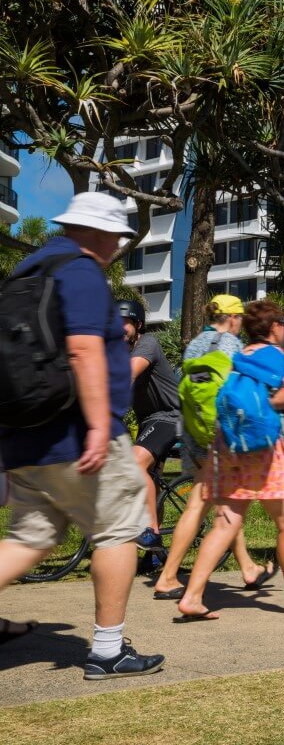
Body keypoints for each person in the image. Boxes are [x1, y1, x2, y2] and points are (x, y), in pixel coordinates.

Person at [0, 192, 164, 678]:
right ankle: (109, 651)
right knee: (118, 531)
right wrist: (98, 427)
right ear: (96, 233)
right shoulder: (81, 271)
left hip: (24, 433)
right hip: (78, 434)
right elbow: (84, 351)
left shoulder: (25, 272)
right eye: (115, 236)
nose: (117, 245)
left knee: (31, 537)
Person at [176, 301, 284, 620]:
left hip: (229, 443)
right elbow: (273, 400)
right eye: (283, 324)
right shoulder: (272, 356)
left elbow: (252, 405)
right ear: (274, 328)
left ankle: (192, 596)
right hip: (263, 451)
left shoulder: (240, 355)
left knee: (226, 521)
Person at [152, 295, 277, 600]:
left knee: (226, 506)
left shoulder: (195, 345)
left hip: (195, 437)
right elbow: (236, 396)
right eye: (239, 319)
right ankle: (168, 577)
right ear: (233, 318)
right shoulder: (232, 346)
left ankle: (247, 567)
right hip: (220, 437)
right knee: (202, 506)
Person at [118, 298, 182, 551]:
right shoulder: (115, 352)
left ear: (138, 325)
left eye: (126, 323)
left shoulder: (148, 344)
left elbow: (128, 375)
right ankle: (155, 554)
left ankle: (151, 531)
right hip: (148, 421)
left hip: (170, 416)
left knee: (136, 465)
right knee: (150, 482)